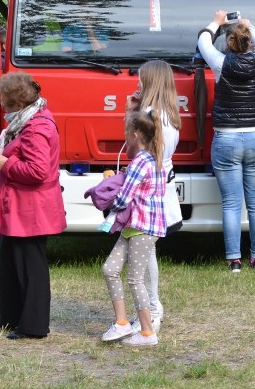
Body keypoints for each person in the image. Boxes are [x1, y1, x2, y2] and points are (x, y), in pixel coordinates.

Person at [0, 72, 66, 340]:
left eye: (5, 104)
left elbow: (38, 171)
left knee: (31, 268)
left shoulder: (37, 128)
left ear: (18, 104)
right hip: (18, 206)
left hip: (31, 209)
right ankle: (10, 318)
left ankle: (33, 326)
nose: (3, 108)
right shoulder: (27, 122)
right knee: (10, 264)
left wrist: (4, 164)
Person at [197, 10, 255, 272]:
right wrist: (248, 26)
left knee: (231, 203)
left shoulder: (220, 64)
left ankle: (234, 260)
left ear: (229, 44)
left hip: (226, 138)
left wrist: (216, 23)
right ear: (249, 40)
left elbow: (203, 41)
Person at [100, 109, 167, 347]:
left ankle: (148, 332)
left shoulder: (140, 162)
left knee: (136, 279)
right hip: (136, 226)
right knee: (110, 269)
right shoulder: (151, 159)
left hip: (143, 228)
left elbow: (123, 199)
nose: (125, 137)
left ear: (136, 134)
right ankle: (122, 323)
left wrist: (106, 193)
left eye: (127, 133)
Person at [124, 60, 182, 331]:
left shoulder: (151, 116)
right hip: (161, 188)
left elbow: (133, 152)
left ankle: (153, 310)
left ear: (151, 82)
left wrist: (129, 115)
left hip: (148, 192)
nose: (137, 83)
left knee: (145, 254)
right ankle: (152, 308)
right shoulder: (168, 114)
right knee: (147, 253)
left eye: (141, 79)